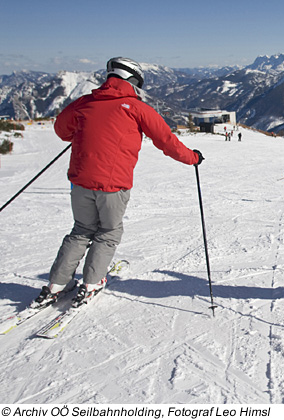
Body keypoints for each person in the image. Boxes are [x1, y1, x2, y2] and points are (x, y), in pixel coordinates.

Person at [31, 57, 204, 309]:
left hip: (80, 182)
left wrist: (81, 132)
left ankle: (56, 284)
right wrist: (193, 158)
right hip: (114, 185)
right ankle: (91, 283)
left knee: (81, 230)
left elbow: (61, 130)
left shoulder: (84, 102)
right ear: (133, 81)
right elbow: (166, 141)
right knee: (108, 233)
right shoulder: (136, 107)